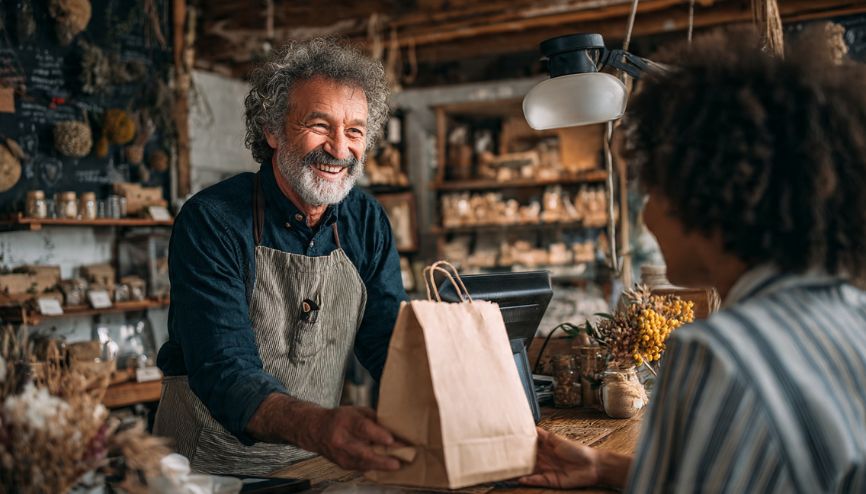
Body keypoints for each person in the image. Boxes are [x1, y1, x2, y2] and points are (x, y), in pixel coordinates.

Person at [521, 29, 866, 493]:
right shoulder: (853, 316)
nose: (647, 216)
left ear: (704, 198)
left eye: (654, 191)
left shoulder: (719, 354)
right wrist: (605, 468)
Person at [153, 38, 408, 476]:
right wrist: (319, 427)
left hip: (317, 462)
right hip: (208, 467)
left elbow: (389, 343)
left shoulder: (365, 221)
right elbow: (224, 368)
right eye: (319, 125)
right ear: (272, 130)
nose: (339, 149)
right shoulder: (212, 221)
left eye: (355, 131)